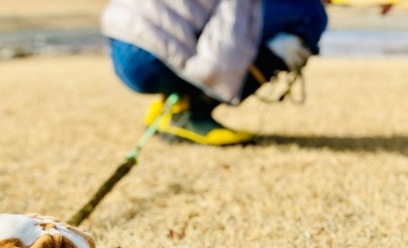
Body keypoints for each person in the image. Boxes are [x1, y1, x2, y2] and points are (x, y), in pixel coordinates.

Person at [100, 0, 329, 146]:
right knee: (309, 12)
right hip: (149, 51)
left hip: (122, 31)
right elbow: (231, 26)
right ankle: (193, 110)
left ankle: (179, 105)